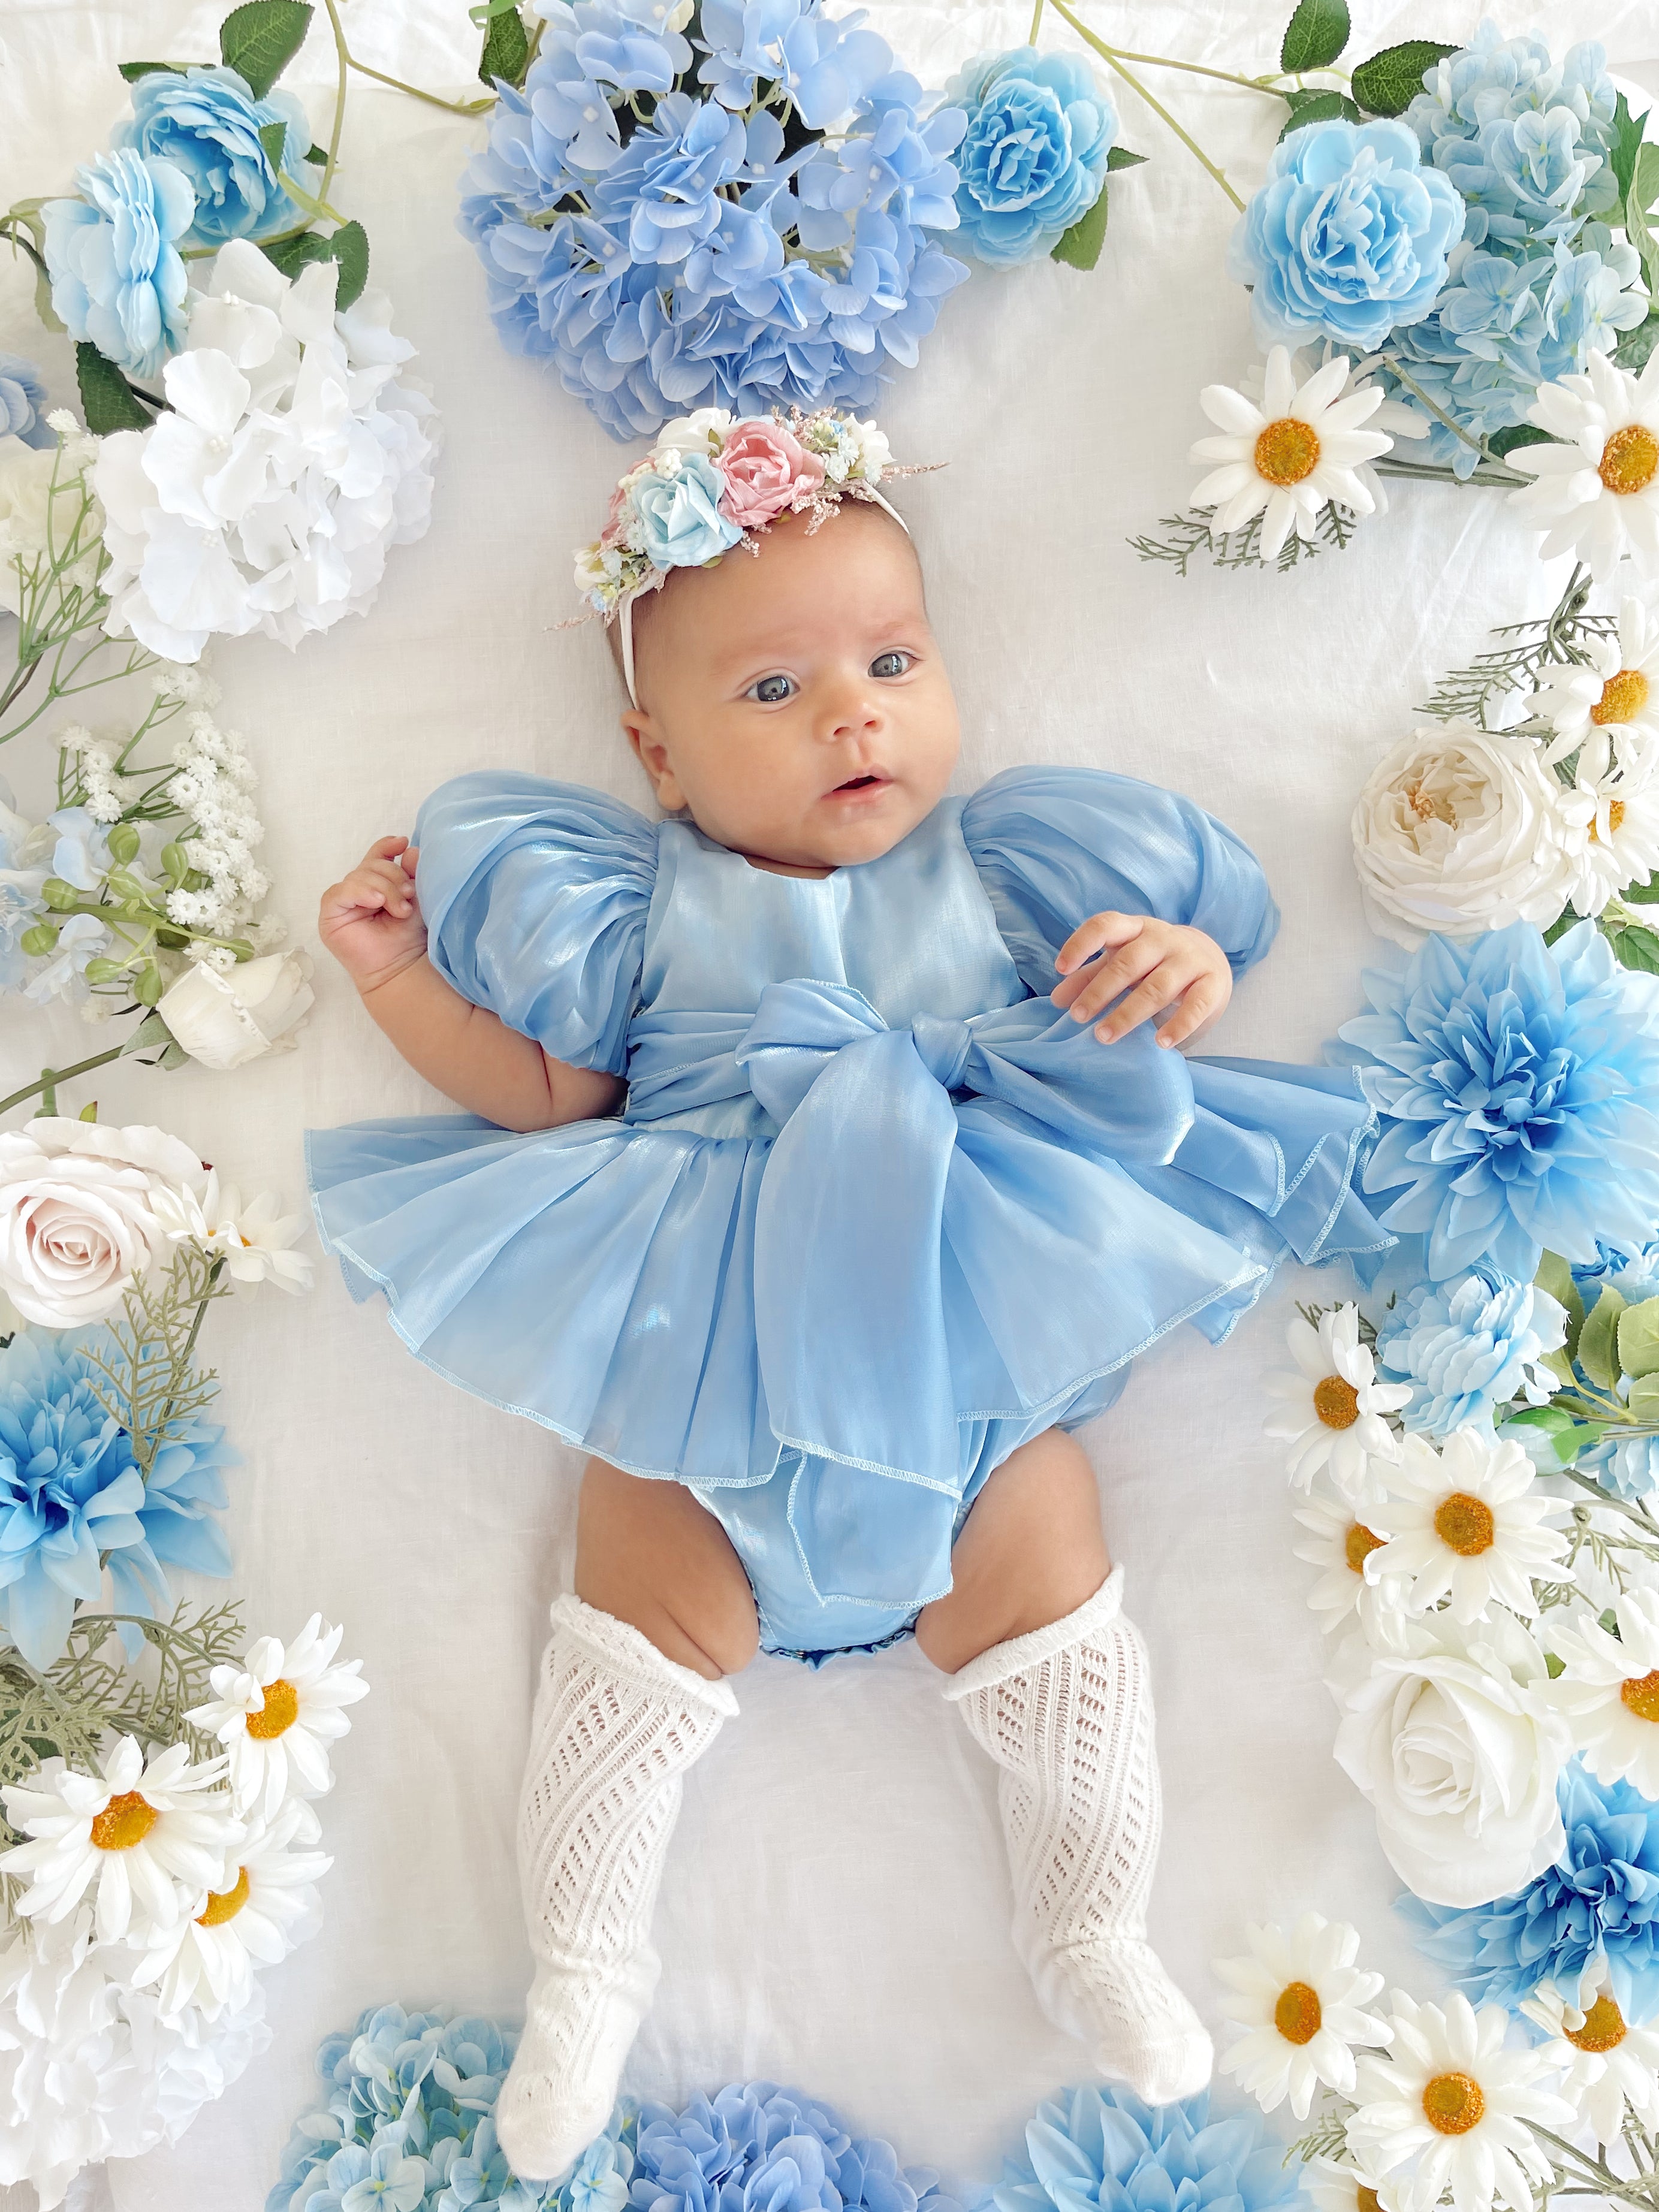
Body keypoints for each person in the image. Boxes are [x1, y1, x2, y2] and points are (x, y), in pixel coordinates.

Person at [309, 407, 1387, 2182]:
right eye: (775, 688)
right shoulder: (640, 912)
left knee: (1057, 1570)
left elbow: (1153, 1015)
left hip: (963, 1390)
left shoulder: (1005, 877)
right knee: (623, 1625)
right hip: (702, 1388)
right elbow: (550, 1095)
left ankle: (1091, 1918)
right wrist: (396, 986)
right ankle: (587, 1967)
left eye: (893, 662)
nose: (854, 714)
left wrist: (1177, 966)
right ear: (658, 759)